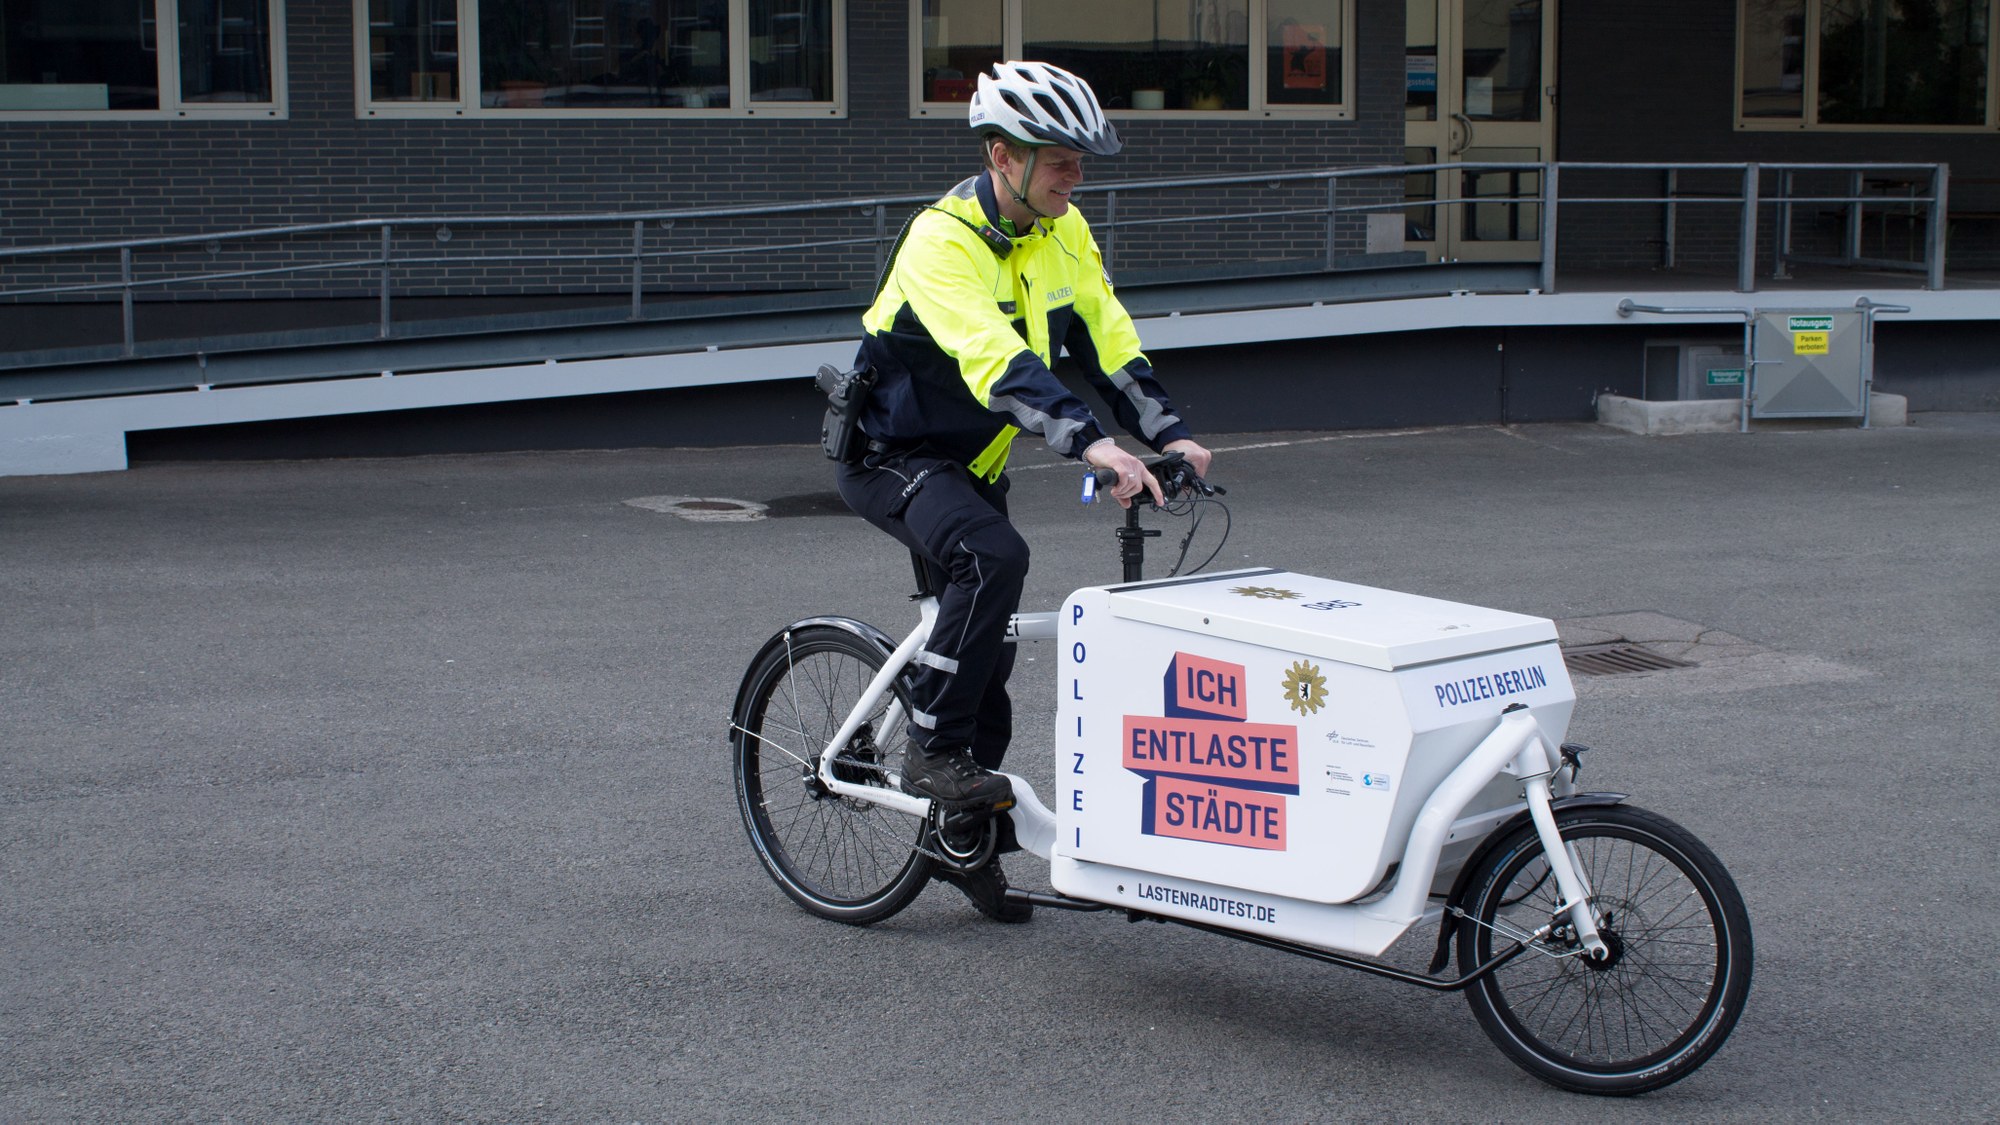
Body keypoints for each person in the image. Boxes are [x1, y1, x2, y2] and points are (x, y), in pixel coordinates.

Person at [835, 61, 1213, 923]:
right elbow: (996, 363)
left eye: (1081, 160)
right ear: (1003, 156)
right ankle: (931, 748)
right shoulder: (940, 240)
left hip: (972, 462)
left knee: (990, 655)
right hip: (889, 451)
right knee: (992, 555)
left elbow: (1108, 339)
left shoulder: (1063, 230)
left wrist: (1167, 433)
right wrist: (1090, 445)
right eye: (1060, 160)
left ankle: (963, 843)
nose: (1075, 176)